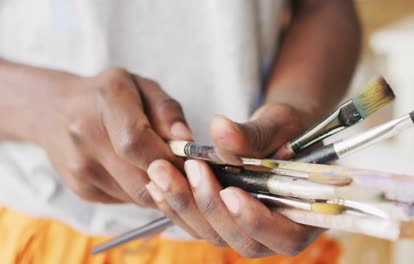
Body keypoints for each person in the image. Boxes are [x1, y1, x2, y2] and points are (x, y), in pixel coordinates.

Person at [0, 0, 360, 263]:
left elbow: (326, 9)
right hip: (43, 233)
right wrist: (44, 106)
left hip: (258, 234)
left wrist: (294, 109)